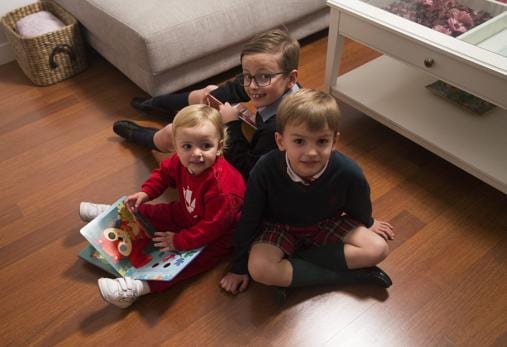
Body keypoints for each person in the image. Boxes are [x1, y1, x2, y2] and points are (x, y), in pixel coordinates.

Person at [219, 89, 395, 296]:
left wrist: (368, 222)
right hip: (279, 226)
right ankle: (355, 275)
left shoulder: (349, 171)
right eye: (299, 141)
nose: (311, 152)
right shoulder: (264, 169)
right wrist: (239, 266)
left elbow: (359, 203)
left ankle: (292, 273)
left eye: (321, 141)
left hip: (326, 222)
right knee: (258, 269)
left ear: (334, 141)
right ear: (281, 141)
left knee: (378, 248)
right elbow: (250, 217)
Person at [93, 104, 246, 308]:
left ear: (219, 146)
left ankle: (134, 289)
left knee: (190, 264)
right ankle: (112, 213)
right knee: (150, 211)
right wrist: (145, 193)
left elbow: (212, 228)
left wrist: (179, 241)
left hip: (218, 237)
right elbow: (163, 174)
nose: (196, 154)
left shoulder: (223, 190)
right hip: (186, 212)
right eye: (187, 146)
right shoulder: (180, 161)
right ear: (175, 145)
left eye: (206, 146)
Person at [112, 28, 300, 180]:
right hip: (254, 134)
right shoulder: (286, 88)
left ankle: (150, 138)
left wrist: (232, 125)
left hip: (244, 169)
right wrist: (209, 101)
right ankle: (155, 104)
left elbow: (246, 170)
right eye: (246, 75)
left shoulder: (278, 128)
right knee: (209, 91)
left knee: (177, 131)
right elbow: (235, 87)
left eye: (263, 76)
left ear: (291, 78)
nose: (251, 85)